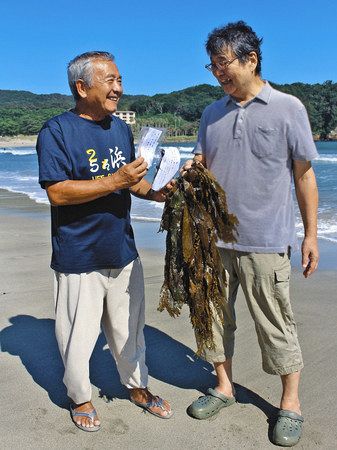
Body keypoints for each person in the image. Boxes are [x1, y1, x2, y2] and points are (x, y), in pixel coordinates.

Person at [183, 22, 319, 447]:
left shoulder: (288, 107)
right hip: (212, 242)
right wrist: (188, 170)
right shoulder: (212, 112)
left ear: (250, 59)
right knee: (213, 321)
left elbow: (304, 175)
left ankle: (290, 405)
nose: (218, 72)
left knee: (276, 324)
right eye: (213, 65)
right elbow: (201, 161)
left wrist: (310, 236)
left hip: (265, 239)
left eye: (223, 63)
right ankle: (224, 386)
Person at [36, 51, 172, 432]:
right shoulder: (56, 131)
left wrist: (158, 192)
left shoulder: (119, 129)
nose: (119, 87)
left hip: (123, 249)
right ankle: (80, 397)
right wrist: (115, 181)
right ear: (82, 87)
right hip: (79, 254)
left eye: (119, 79)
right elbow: (58, 193)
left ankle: (138, 387)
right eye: (110, 80)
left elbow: (134, 181)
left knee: (130, 329)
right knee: (78, 338)